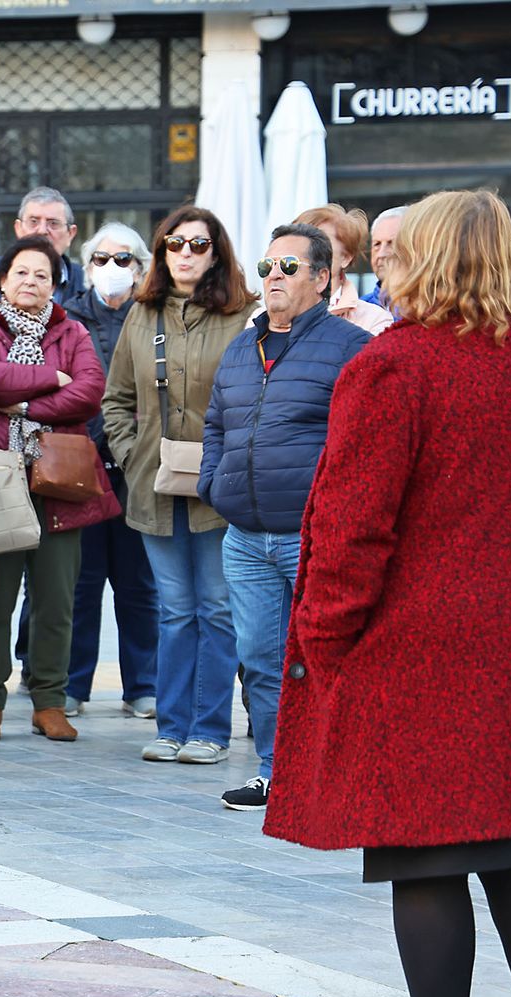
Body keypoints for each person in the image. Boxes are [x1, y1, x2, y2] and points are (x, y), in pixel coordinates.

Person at [264, 189, 511, 997]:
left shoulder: (396, 366)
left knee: (425, 862)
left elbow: (353, 528)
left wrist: (324, 639)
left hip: (417, 656)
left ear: (425, 259)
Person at [198, 223, 370, 812]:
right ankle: (276, 773)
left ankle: (339, 773)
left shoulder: (350, 348)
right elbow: (216, 424)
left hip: (312, 537)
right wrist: (213, 483)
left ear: (322, 279)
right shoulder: (241, 347)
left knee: (326, 658)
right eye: (267, 266)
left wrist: (334, 510)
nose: (274, 275)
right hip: (245, 537)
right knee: (260, 661)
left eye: (288, 267)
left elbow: (364, 441)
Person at [103, 206, 255, 765]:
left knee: (216, 607)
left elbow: (257, 398)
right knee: (174, 609)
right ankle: (171, 727)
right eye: (175, 243)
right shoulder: (142, 314)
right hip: (155, 483)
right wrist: (132, 456)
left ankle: (210, 730)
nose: (185, 253)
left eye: (198, 244)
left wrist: (235, 461)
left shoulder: (245, 315)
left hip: (221, 483)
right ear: (162, 251)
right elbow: (116, 400)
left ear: (217, 253)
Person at [0, 236, 112, 745]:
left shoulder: (73, 331)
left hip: (60, 483)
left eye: (42, 275)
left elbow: (90, 391)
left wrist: (27, 406)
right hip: (0, 480)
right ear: (3, 280)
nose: (31, 282)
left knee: (56, 600)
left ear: (55, 285)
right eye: (22, 273)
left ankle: (49, 701)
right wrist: (52, 376)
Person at [61, 224, 160, 721]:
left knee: (138, 584)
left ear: (141, 268)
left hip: (140, 467)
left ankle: (143, 685)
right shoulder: (67, 317)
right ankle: (72, 685)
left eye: (123, 259)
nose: (112, 268)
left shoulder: (155, 316)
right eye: (101, 259)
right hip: (81, 466)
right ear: (87, 267)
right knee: (81, 583)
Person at [0, 186, 86, 319]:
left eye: (53, 223)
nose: (42, 231)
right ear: (18, 228)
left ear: (70, 233)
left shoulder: (87, 282)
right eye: (33, 222)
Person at [293, 205, 393, 336]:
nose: (307, 251)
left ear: (345, 258)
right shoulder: (270, 316)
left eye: (320, 241)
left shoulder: (374, 320)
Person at [361, 205, 405, 311]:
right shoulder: (357, 311)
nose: (381, 254)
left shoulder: (435, 309)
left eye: (391, 243)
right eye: (377, 244)